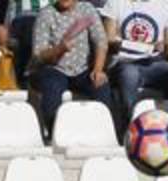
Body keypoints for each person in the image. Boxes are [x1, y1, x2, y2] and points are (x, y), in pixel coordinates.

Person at [30, 0, 114, 141]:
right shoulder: (46, 14)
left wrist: (98, 69)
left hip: (82, 69)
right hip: (54, 68)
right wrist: (59, 49)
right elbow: (39, 54)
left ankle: (103, 135)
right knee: (51, 88)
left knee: (101, 86)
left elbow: (100, 41)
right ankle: (54, 135)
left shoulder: (87, 9)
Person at [101, 0, 168, 130]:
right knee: (129, 75)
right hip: (124, 62)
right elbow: (109, 42)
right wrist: (145, 47)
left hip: (155, 63)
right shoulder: (115, 3)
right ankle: (129, 127)